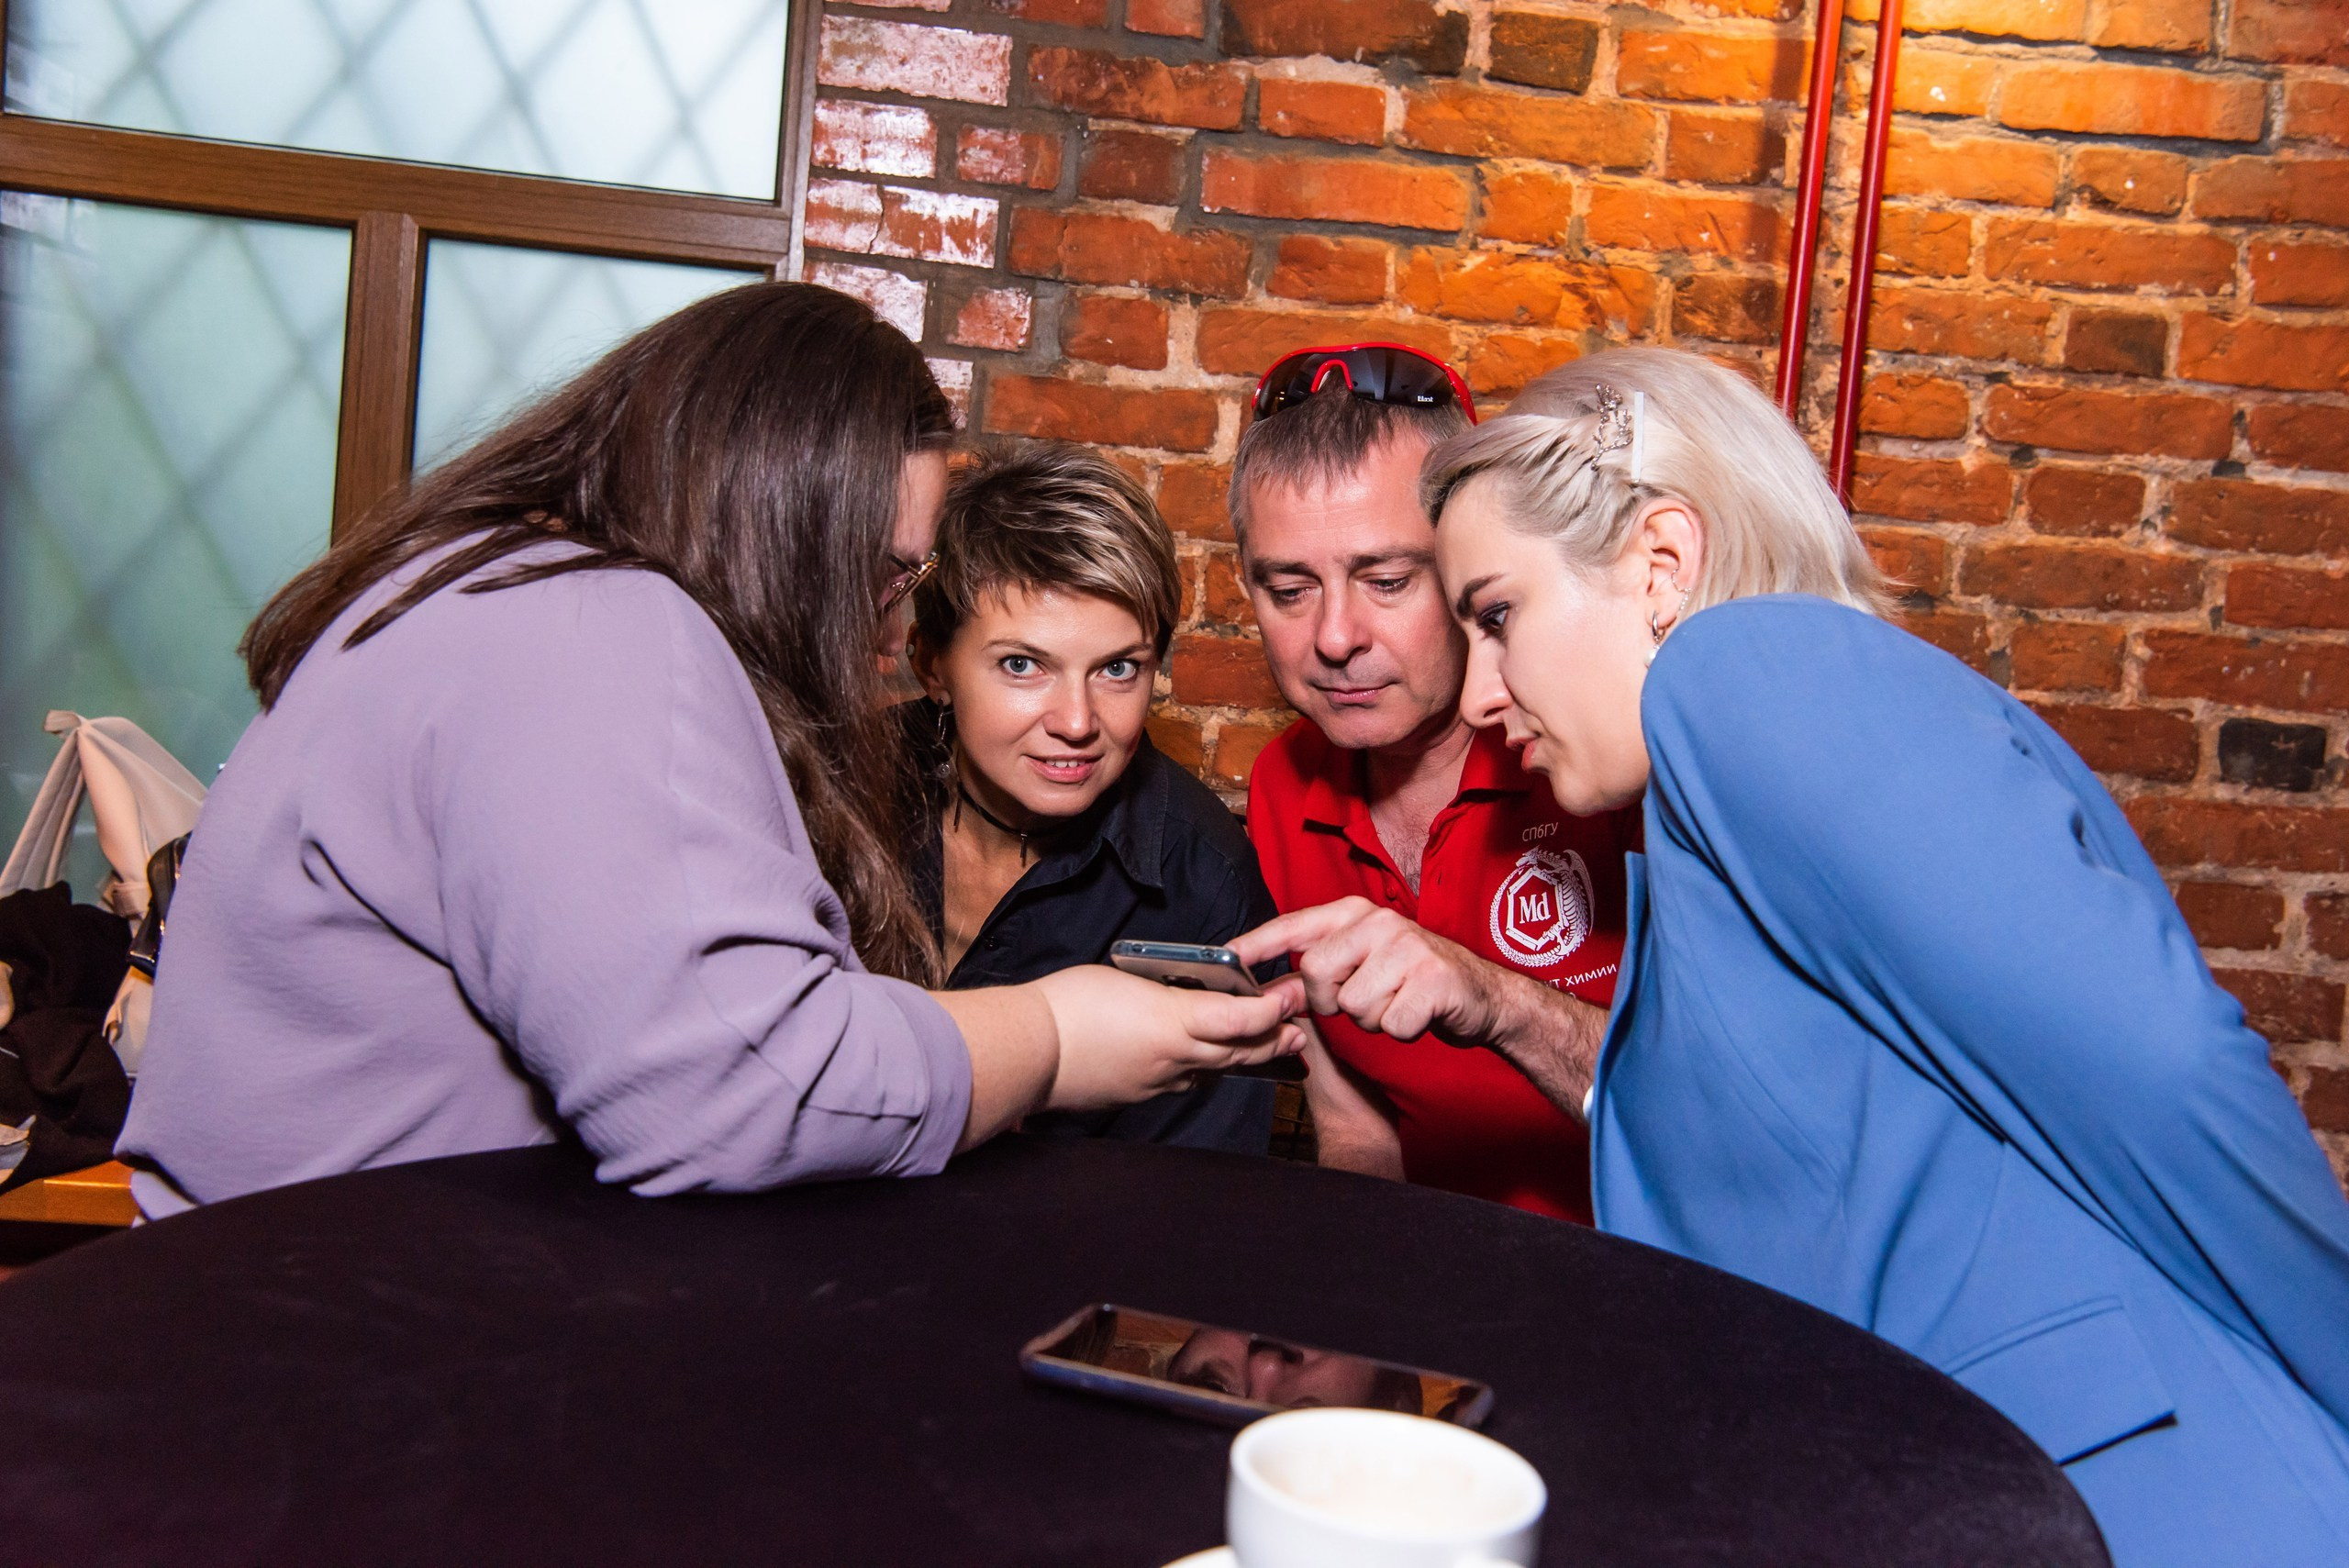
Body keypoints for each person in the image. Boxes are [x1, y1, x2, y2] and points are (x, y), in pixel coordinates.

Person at [1408, 345, 2349, 1566]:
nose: (1479, 692)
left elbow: (2163, 1064)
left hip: (2136, 1494)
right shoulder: (1704, 838)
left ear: (1661, 564)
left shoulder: (1742, 676)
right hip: (1967, 1493)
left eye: (1498, 615)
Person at [117, 284, 1302, 1219]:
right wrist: (1053, 1038)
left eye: (1121, 666)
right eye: (888, 575)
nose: (889, 633)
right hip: (330, 1322)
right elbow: (748, 1084)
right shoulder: (593, 627)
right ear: (782, 524)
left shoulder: (495, 587)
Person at [1220, 345, 1639, 1222]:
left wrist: (1498, 1001)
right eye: (1290, 588)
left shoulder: (1613, 770)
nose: (1336, 636)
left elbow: (1741, 1131)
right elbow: (1356, 1118)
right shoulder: (1282, 786)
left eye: (1387, 579)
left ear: (1468, 563)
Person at [902, 439, 1280, 1152]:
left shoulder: (1203, 881)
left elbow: (1197, 1206)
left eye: (1117, 669)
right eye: (1023, 664)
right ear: (933, 666)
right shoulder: (830, 793)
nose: (1077, 722)